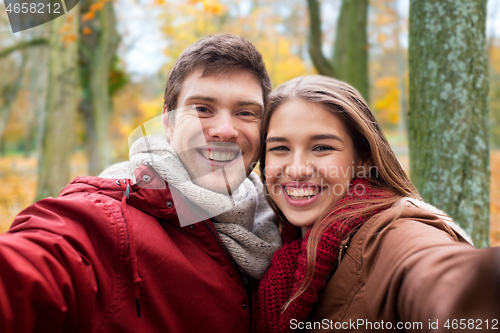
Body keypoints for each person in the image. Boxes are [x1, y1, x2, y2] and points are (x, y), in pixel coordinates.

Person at [0, 34, 282, 333]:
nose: (225, 130)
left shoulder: (284, 222)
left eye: (245, 113)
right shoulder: (110, 222)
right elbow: (32, 269)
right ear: (168, 123)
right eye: (202, 108)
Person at [256, 76, 500, 333]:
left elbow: (433, 272)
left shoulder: (389, 233)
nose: (297, 169)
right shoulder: (278, 245)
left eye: (321, 147)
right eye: (280, 148)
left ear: (363, 159)